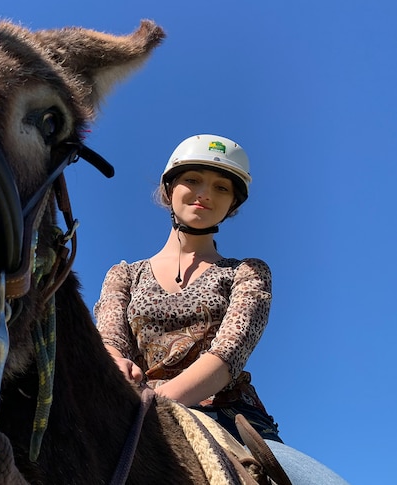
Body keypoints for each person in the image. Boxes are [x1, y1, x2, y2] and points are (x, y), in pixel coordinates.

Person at [93, 134, 348, 484]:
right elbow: (109, 338)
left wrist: (157, 402)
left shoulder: (248, 273)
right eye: (193, 180)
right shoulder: (124, 274)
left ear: (233, 204)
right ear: (169, 189)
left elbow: (229, 353)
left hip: (229, 417)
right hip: (131, 410)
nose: (205, 194)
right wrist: (115, 368)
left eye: (222, 187)